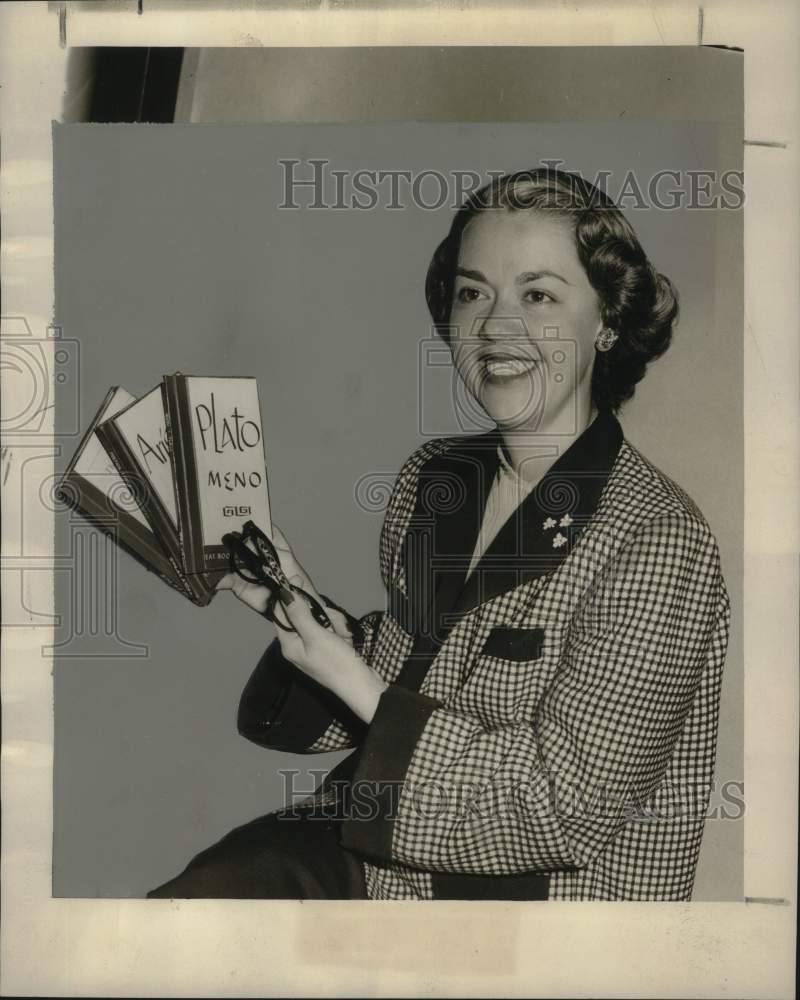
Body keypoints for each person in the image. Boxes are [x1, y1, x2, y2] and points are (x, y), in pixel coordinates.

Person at [148, 167, 731, 902]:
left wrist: (350, 678)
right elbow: (410, 675)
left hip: (529, 911)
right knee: (202, 903)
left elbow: (562, 813)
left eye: (539, 295)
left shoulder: (659, 541)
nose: (494, 326)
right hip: (374, 842)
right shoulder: (435, 476)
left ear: (608, 322)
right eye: (471, 291)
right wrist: (299, 609)